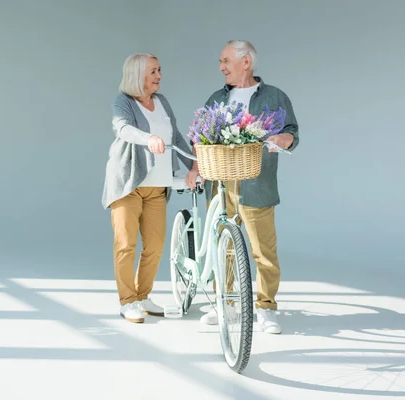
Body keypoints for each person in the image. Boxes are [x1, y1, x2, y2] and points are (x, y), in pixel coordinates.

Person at [198, 40, 299, 334]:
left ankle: (266, 308)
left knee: (263, 251)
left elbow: (292, 130)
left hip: (258, 183)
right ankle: (225, 302)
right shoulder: (217, 98)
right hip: (220, 185)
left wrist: (284, 140)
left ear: (246, 62)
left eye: (226, 61)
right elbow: (200, 139)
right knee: (223, 248)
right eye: (221, 61)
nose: (221, 67)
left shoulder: (275, 96)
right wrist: (197, 169)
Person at [102, 53, 198, 323]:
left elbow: (176, 136)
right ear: (138, 75)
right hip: (128, 184)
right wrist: (149, 138)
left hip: (157, 187)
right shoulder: (123, 102)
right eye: (153, 71)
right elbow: (123, 129)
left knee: (155, 246)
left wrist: (194, 166)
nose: (159, 76)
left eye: (159, 70)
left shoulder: (161, 101)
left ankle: (143, 296)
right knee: (125, 244)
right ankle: (127, 301)